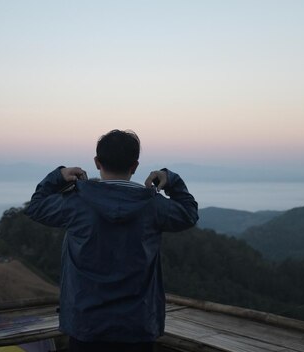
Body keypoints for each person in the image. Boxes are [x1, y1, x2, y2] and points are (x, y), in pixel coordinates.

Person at [25, 129, 198, 352]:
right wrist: (171, 180)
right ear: (135, 166)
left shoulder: (77, 203)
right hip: (138, 326)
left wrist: (59, 176)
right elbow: (189, 214)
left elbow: (37, 207)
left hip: (86, 326)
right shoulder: (153, 206)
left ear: (97, 162)